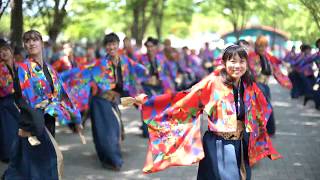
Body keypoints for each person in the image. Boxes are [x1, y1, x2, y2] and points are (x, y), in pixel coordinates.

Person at [122, 45, 281, 179]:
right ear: (224, 63)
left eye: (241, 61)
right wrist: (147, 101)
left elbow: (263, 111)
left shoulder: (250, 85)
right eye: (232, 61)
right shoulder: (213, 83)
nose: (237, 66)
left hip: (240, 145)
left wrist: (256, 138)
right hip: (218, 145)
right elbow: (184, 99)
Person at [3, 30, 81, 180]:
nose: (31, 43)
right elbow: (23, 98)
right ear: (25, 46)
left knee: (30, 164)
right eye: (27, 41)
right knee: (49, 159)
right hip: (33, 121)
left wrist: (75, 118)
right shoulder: (23, 69)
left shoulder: (50, 70)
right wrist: (37, 116)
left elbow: (63, 94)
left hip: (48, 120)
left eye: (35, 39)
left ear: (42, 43)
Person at [88, 32, 147, 170]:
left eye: (113, 43)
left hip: (114, 101)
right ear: (105, 47)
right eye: (108, 44)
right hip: (100, 102)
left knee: (114, 131)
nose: (111, 47)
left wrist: (145, 75)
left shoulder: (125, 61)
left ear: (118, 45)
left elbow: (137, 72)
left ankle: (112, 159)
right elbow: (100, 84)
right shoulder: (101, 64)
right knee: (105, 133)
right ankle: (113, 160)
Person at [248, 36, 292, 136]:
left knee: (264, 107)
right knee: (265, 107)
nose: (262, 48)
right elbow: (253, 69)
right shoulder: (252, 55)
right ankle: (267, 130)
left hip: (265, 85)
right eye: (260, 46)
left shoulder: (267, 55)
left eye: (264, 46)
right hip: (256, 84)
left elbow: (276, 62)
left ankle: (265, 130)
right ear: (256, 46)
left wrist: (283, 64)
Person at [0, 39, 19, 163]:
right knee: (8, 131)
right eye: (0, 51)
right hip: (5, 102)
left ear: (11, 51)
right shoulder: (1, 67)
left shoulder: (18, 66)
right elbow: (6, 87)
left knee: (17, 129)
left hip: (17, 101)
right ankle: (8, 156)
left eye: (6, 50)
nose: (3, 53)